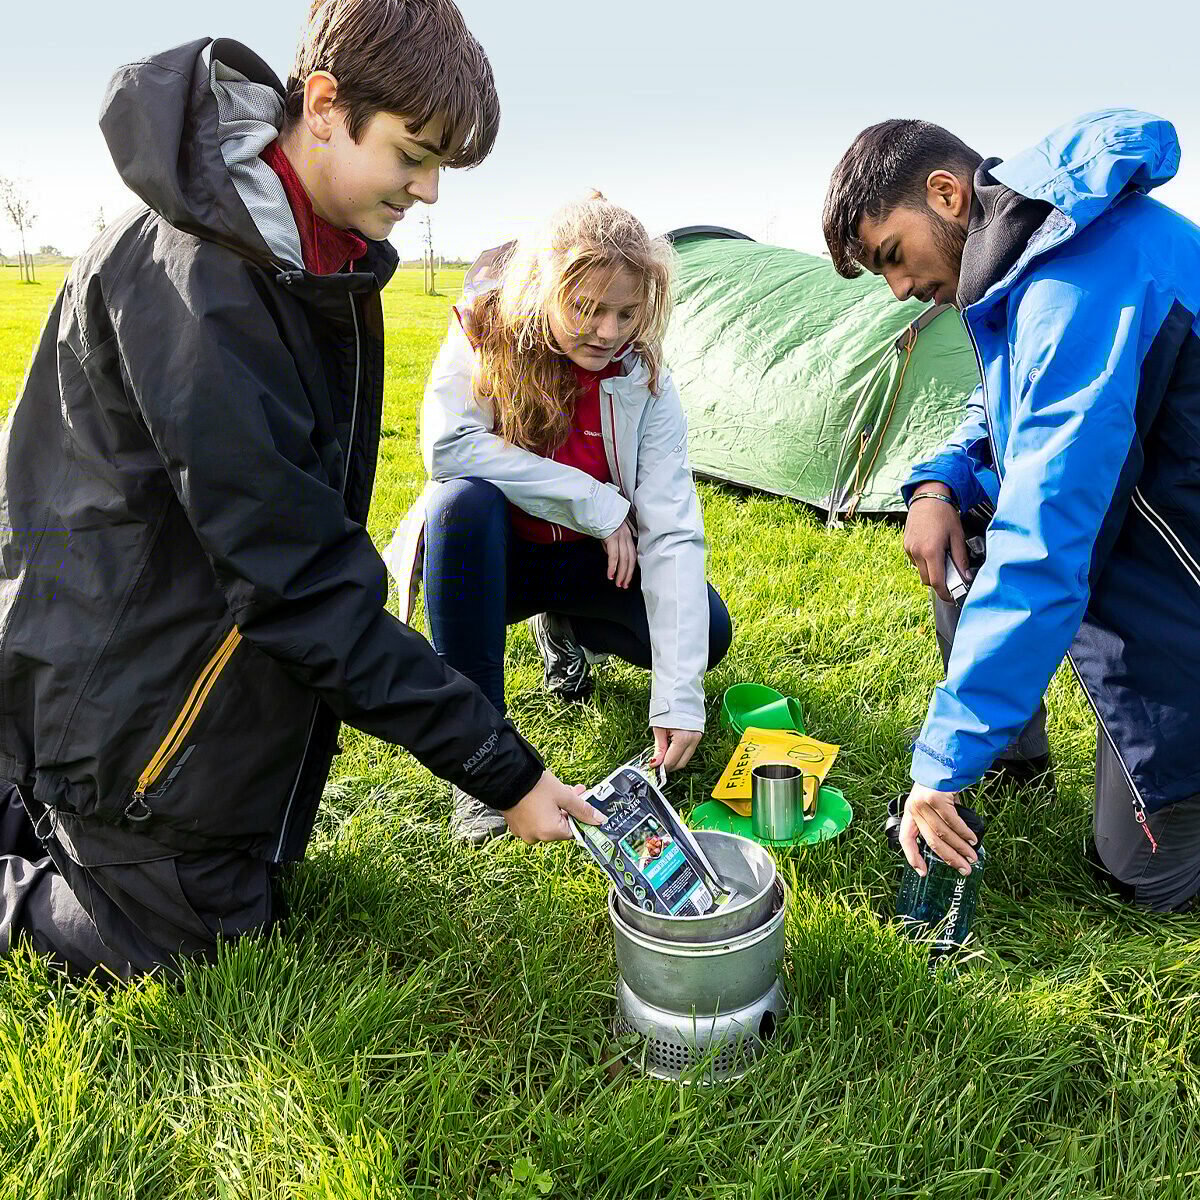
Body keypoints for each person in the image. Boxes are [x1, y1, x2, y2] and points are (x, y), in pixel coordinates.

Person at [0, 0, 602, 979]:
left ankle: (40, 789)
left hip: (173, 653)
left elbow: (290, 537)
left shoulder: (304, 250)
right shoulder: (205, 279)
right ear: (323, 106)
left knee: (247, 878)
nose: (430, 191)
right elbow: (300, 580)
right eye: (413, 155)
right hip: (116, 683)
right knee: (188, 939)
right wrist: (502, 769)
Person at [823, 110, 1200, 911]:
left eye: (893, 256)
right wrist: (940, 485)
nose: (899, 290)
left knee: (1138, 883)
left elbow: (1046, 537)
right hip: (1147, 546)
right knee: (959, 535)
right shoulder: (1041, 250)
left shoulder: (1079, 282)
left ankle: (1001, 757)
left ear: (945, 194)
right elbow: (1010, 408)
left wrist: (939, 762)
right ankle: (1012, 760)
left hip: (1181, 594)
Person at [396, 195, 732, 843]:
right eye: (587, 307)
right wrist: (596, 503)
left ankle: (566, 628)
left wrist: (679, 696)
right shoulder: (482, 334)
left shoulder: (646, 379)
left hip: (589, 562)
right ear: (546, 288)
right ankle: (481, 768)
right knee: (461, 503)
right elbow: (448, 447)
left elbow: (671, 528)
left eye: (626, 313)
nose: (608, 331)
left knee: (708, 631)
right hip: (494, 566)